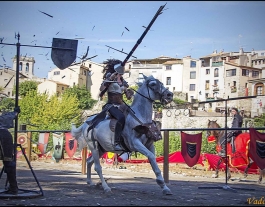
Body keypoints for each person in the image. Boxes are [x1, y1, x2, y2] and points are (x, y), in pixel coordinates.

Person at [91, 59, 133, 151]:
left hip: (122, 105)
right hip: (111, 105)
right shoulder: (110, 76)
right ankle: (116, 141)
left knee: (134, 116)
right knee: (121, 117)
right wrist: (109, 79)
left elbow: (128, 97)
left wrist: (130, 93)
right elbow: (102, 88)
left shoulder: (122, 80)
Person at [0, 106, 21, 195]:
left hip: (3, 135)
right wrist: (15, 112)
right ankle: (13, 188)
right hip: (5, 136)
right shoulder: (3, 117)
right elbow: (8, 117)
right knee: (8, 162)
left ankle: (13, 188)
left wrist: (15, 113)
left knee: (9, 163)